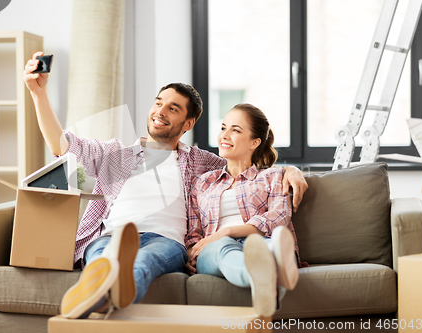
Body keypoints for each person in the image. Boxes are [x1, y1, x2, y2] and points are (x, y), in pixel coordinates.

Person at [23, 52, 309, 319]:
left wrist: (291, 170)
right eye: (158, 102)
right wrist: (38, 93)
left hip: (166, 241)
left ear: (188, 123)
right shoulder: (114, 154)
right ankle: (103, 290)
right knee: (102, 256)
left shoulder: (201, 162)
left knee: (144, 260)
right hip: (112, 235)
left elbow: (246, 167)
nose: (160, 111)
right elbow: (61, 144)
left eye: (172, 108)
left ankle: (100, 294)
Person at [185, 103, 305, 317]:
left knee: (267, 245)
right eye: (223, 127)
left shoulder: (273, 177)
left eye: (236, 130)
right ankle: (273, 272)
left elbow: (278, 217)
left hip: (259, 241)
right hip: (215, 248)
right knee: (224, 249)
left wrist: (228, 231)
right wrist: (191, 251)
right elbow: (194, 232)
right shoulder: (202, 183)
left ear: (255, 142)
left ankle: (274, 266)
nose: (225, 135)